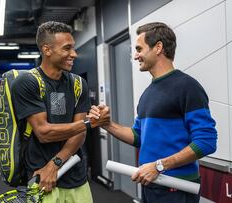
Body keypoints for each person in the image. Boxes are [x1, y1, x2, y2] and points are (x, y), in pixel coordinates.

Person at [88, 22, 218, 203]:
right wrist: (106, 124)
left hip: (175, 187)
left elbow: (206, 142)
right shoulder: (148, 94)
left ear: (158, 47)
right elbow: (139, 136)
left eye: (139, 49)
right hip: (152, 184)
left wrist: (159, 166)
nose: (135, 56)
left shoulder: (188, 87)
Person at [11, 21, 109, 202]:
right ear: (47, 50)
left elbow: (80, 133)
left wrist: (55, 164)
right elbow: (44, 133)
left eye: (73, 48)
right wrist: (88, 123)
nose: (74, 54)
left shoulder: (79, 84)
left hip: (76, 177)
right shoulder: (28, 82)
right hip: (42, 179)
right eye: (67, 48)